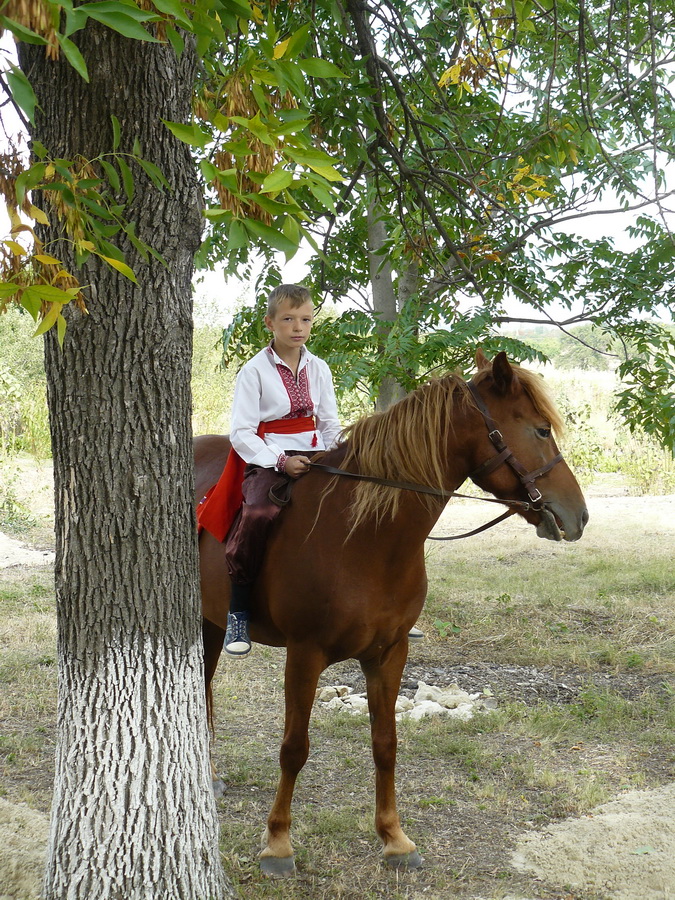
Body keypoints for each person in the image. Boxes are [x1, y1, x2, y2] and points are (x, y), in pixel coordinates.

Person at [198, 284, 342, 656]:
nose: (298, 327)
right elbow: (242, 433)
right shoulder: (255, 371)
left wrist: (333, 456)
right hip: (268, 456)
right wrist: (281, 462)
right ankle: (239, 612)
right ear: (270, 323)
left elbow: (328, 422)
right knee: (258, 513)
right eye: (288, 319)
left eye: (306, 319)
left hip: (315, 456)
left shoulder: (319, 368)